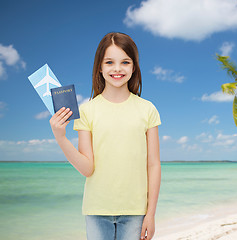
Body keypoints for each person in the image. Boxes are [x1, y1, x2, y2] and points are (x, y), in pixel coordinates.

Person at [49, 32, 161, 240]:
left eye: (125, 62)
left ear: (133, 67)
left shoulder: (148, 110)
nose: (117, 69)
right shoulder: (87, 111)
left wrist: (151, 213)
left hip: (136, 211)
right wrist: (61, 137)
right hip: (96, 210)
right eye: (109, 62)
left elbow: (153, 164)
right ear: (100, 67)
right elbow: (87, 168)